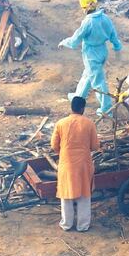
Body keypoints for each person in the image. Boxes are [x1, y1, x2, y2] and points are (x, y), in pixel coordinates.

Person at [58, 0, 122, 116]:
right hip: (102, 51)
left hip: (91, 54)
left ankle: (106, 109)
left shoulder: (88, 22)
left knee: (98, 82)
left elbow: (75, 40)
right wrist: (117, 46)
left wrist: (63, 42)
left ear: (84, 8)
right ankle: (78, 97)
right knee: (88, 75)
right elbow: (113, 34)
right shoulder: (105, 18)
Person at [51, 96, 99, 232]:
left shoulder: (61, 123)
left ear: (71, 107)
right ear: (82, 108)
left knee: (66, 194)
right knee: (84, 194)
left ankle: (66, 224)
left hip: (66, 163)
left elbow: (54, 145)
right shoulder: (89, 123)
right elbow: (95, 146)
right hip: (83, 163)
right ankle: (83, 225)